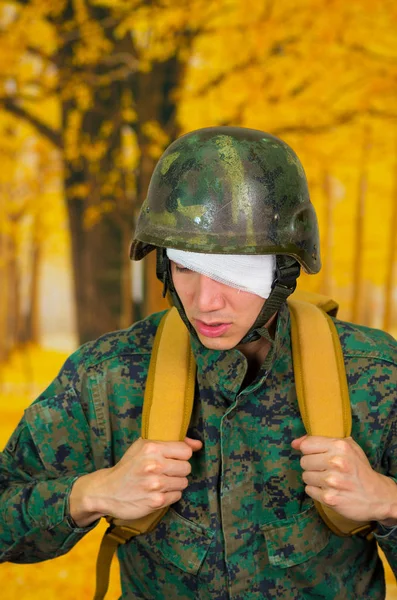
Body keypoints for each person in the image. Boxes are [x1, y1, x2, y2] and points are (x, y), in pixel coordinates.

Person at [0, 126, 396, 599]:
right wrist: (94, 493)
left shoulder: (373, 376)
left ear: (284, 269)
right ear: (164, 265)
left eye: (234, 273)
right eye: (187, 267)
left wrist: (386, 501)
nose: (206, 301)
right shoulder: (107, 377)